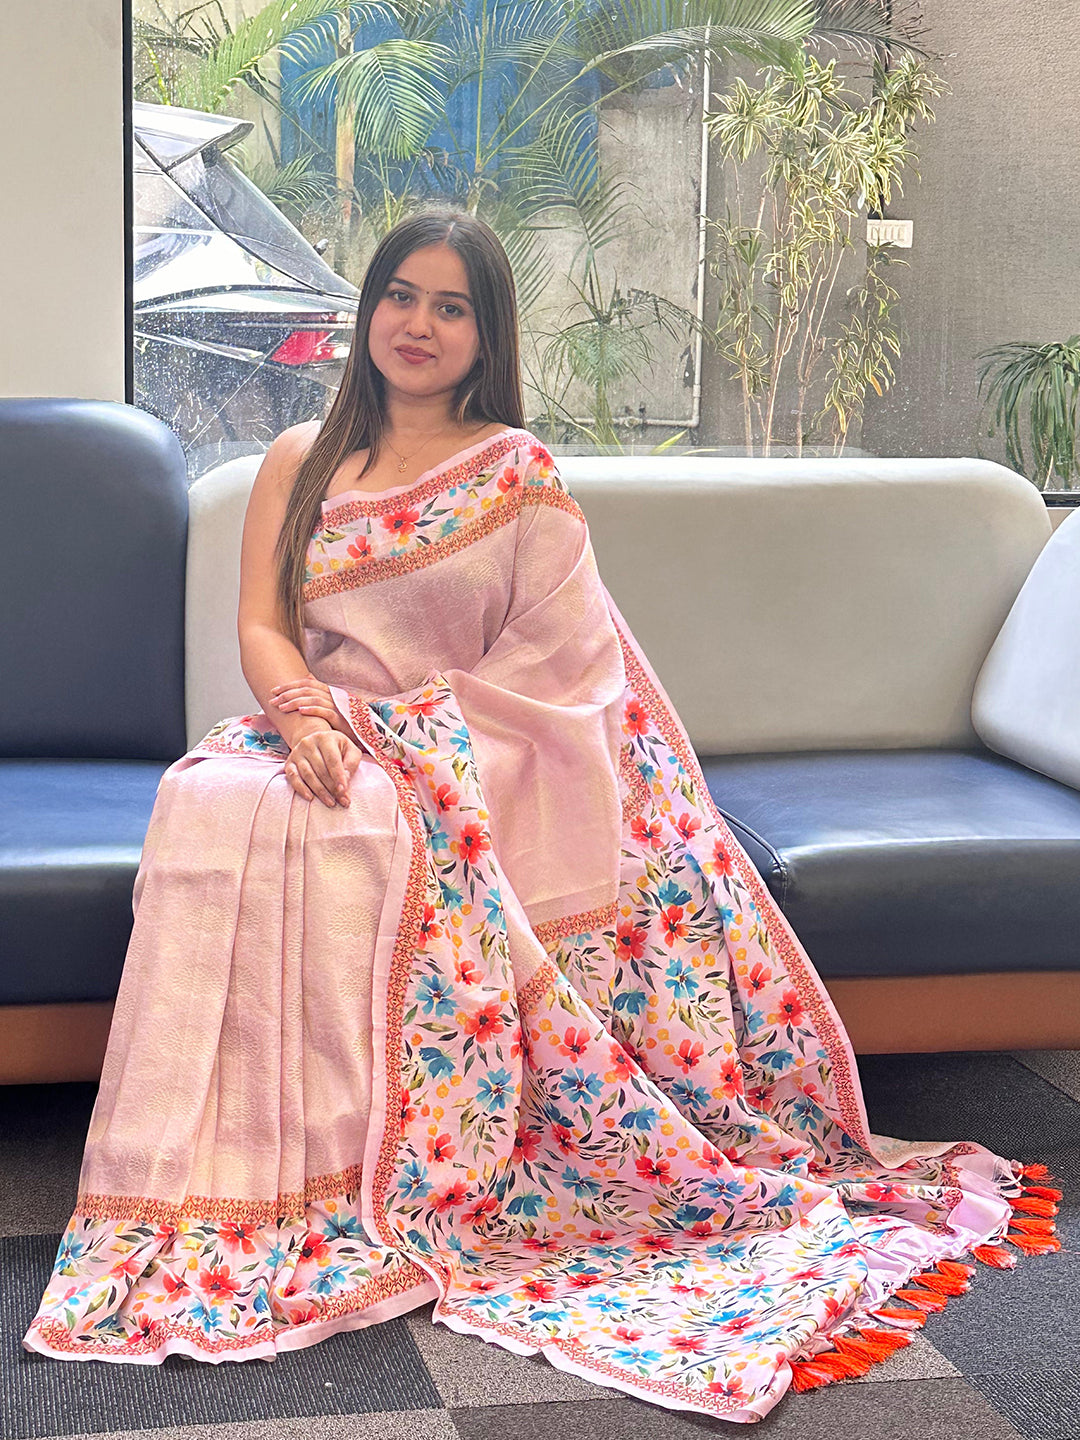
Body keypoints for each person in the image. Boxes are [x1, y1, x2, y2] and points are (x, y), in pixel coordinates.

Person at [24, 208, 1058, 1421]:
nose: (418, 324)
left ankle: (400, 1159)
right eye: (402, 296)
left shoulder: (516, 471)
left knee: (372, 834)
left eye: (451, 307)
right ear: (366, 309)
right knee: (211, 806)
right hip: (326, 727)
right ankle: (232, 1176)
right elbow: (262, 618)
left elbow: (561, 663)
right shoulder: (300, 455)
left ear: (485, 334)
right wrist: (307, 714)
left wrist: (424, 739)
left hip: (480, 749)